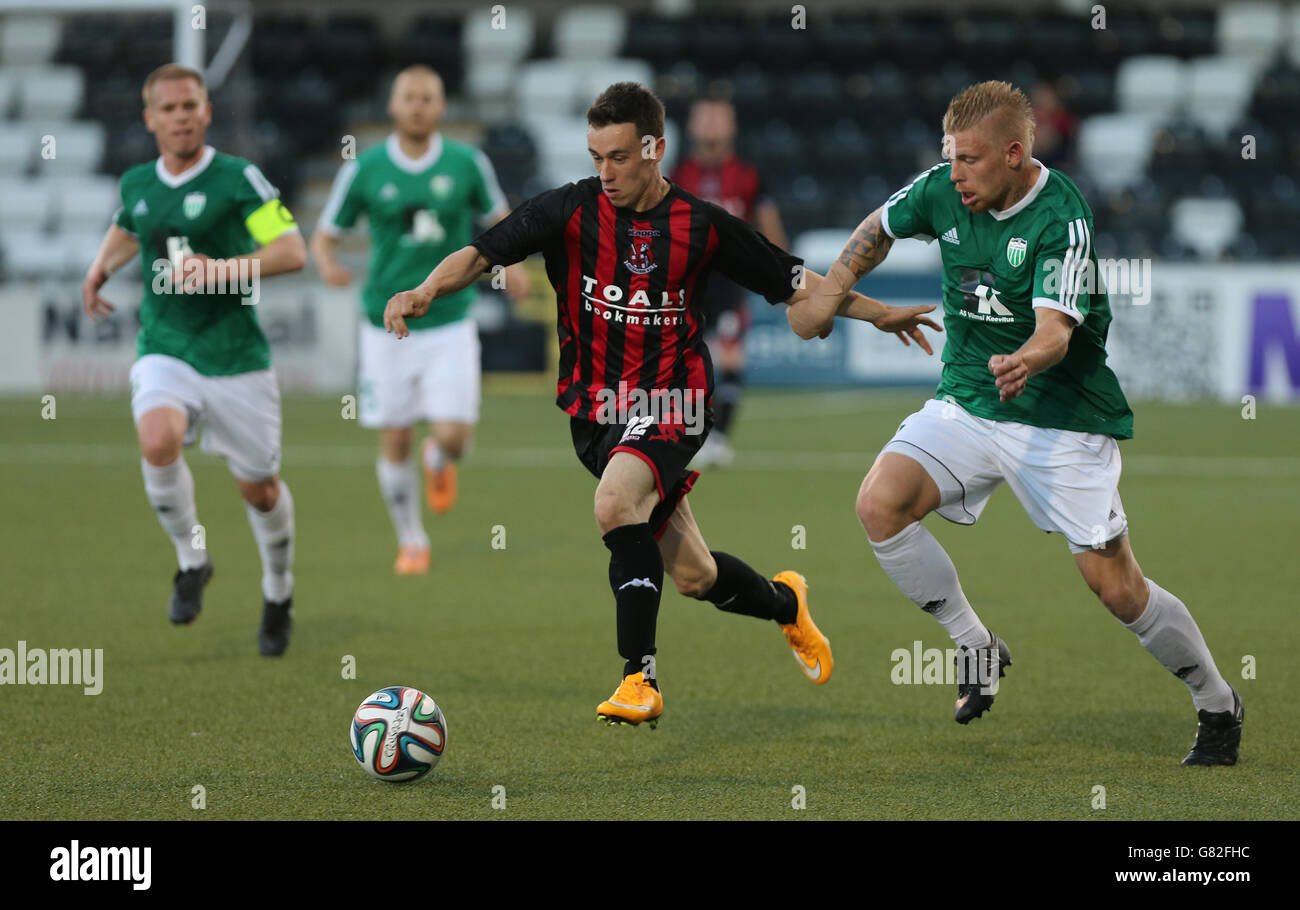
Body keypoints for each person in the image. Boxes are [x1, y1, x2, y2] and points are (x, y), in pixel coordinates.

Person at [385, 82, 940, 727]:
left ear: (655, 149)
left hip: (676, 397)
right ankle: (787, 604)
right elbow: (483, 252)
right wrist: (424, 290)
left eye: (619, 157)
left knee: (615, 501)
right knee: (695, 576)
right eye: (597, 156)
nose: (606, 172)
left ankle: (638, 679)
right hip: (596, 414)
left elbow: (800, 285)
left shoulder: (701, 226)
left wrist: (875, 314)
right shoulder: (568, 209)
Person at [796, 80, 1242, 766]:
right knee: (879, 504)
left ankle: (1218, 703)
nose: (956, 174)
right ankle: (976, 646)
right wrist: (830, 291)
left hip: (1059, 417)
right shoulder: (944, 188)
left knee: (1117, 590)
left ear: (1013, 153)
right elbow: (876, 230)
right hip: (970, 399)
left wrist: (1026, 361)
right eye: (950, 158)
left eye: (970, 161)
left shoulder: (1060, 215)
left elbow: (1055, 332)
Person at [81, 63, 307, 655]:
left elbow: (291, 250)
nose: (182, 116)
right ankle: (192, 559)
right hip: (167, 346)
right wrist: (100, 269)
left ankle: (278, 591)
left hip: (236, 355)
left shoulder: (239, 179)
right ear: (150, 117)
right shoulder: (136, 182)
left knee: (259, 492)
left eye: (192, 106)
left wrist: (224, 269)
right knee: (157, 440)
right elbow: (131, 227)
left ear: (206, 111)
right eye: (170, 108)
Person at [311, 64, 528, 575]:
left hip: (450, 318)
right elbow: (325, 234)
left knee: (455, 438)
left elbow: (504, 221)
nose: (417, 105)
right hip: (384, 324)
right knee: (395, 436)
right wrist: (327, 264)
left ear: (440, 107)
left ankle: (439, 459)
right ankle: (412, 540)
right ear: (392, 105)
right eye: (408, 96)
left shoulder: (467, 163)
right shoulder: (363, 169)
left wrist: (513, 264)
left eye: (427, 97)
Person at [671, 98, 787, 467]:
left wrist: (781, 276)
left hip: (728, 283)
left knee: (731, 355)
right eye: (703, 117)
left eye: (717, 118)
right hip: (683, 284)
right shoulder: (674, 174)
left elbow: (771, 232)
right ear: (690, 126)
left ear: (732, 126)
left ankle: (718, 439)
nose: (710, 125)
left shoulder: (749, 176)